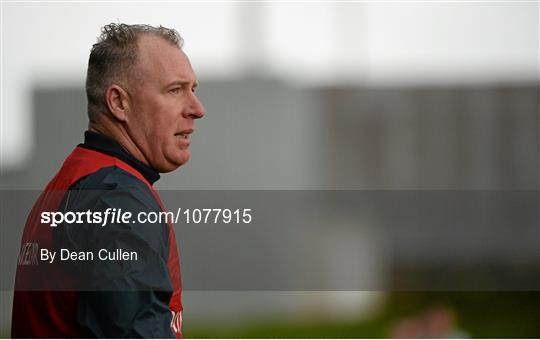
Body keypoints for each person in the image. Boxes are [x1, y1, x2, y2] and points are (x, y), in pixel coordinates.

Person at [12, 23, 205, 338]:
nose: (197, 109)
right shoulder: (117, 200)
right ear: (119, 103)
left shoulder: (72, 183)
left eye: (193, 90)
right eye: (174, 90)